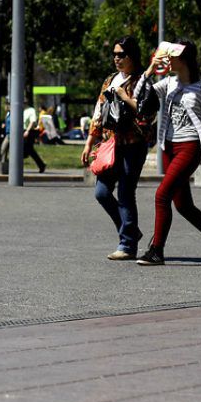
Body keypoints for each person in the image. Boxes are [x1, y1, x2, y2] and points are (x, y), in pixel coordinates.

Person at [133, 39, 201, 266]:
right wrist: (149, 70)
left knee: (161, 195)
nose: (168, 60)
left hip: (189, 147)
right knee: (183, 205)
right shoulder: (168, 83)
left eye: (172, 56)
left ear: (184, 59)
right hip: (168, 147)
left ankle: (156, 250)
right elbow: (139, 95)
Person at [80, 37, 151, 260]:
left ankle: (128, 245)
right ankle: (130, 231)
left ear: (132, 56)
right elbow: (98, 111)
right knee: (101, 192)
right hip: (110, 145)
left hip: (133, 145)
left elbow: (147, 114)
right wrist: (89, 141)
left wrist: (124, 96)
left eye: (121, 55)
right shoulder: (110, 80)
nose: (116, 58)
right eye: (114, 54)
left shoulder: (141, 81)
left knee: (126, 193)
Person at [22, 103, 46, 173]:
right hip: (22, 131)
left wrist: (27, 131)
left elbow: (32, 121)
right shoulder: (21, 110)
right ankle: (41, 165)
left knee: (27, 149)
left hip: (29, 132)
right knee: (29, 150)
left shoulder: (31, 110)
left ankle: (41, 165)